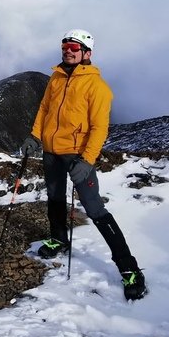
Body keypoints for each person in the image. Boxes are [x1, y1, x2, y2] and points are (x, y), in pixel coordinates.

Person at [21, 29, 147, 301]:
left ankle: (129, 269)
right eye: (65, 46)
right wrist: (34, 135)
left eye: (74, 48)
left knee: (96, 210)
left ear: (87, 54)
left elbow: (100, 128)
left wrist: (87, 160)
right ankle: (59, 239)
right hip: (51, 151)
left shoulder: (97, 87)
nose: (68, 50)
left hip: (77, 155)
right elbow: (44, 109)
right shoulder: (56, 77)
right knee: (54, 197)